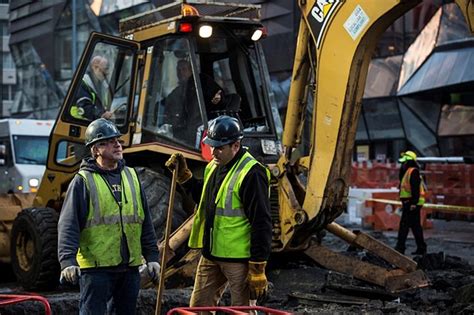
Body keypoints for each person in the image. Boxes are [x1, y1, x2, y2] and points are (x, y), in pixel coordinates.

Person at [165, 115, 272, 308]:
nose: (214, 152)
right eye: (211, 146)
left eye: (219, 147)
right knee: (198, 308)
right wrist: (185, 177)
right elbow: (206, 199)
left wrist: (257, 267)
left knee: (242, 311)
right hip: (211, 255)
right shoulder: (214, 166)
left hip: (239, 261)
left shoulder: (252, 173)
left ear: (236, 146)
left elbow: (262, 223)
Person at [58, 118, 160, 314]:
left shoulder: (132, 176)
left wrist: (152, 256)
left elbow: (144, 221)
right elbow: (68, 224)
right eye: (109, 141)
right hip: (97, 269)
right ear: (95, 149)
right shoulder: (83, 181)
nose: (117, 144)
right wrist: (67, 262)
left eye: (118, 140)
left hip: (129, 267)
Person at [162, 59, 228, 140]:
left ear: (191, 70)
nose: (181, 73)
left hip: (201, 129)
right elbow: (165, 103)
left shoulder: (202, 81)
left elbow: (218, 94)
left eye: (184, 69)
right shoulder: (177, 91)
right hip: (182, 132)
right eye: (178, 70)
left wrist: (218, 99)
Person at [395, 150, 428, 256]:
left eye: (405, 162)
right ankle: (421, 248)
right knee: (415, 226)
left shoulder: (413, 171)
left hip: (412, 204)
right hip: (410, 203)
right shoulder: (408, 171)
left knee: (404, 226)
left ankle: (400, 248)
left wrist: (413, 203)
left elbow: (415, 189)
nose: (403, 164)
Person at [71, 55, 113, 121]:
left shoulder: (102, 85)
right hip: (79, 123)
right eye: (105, 69)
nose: (107, 73)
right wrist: (101, 115)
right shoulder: (83, 83)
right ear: (95, 67)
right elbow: (84, 106)